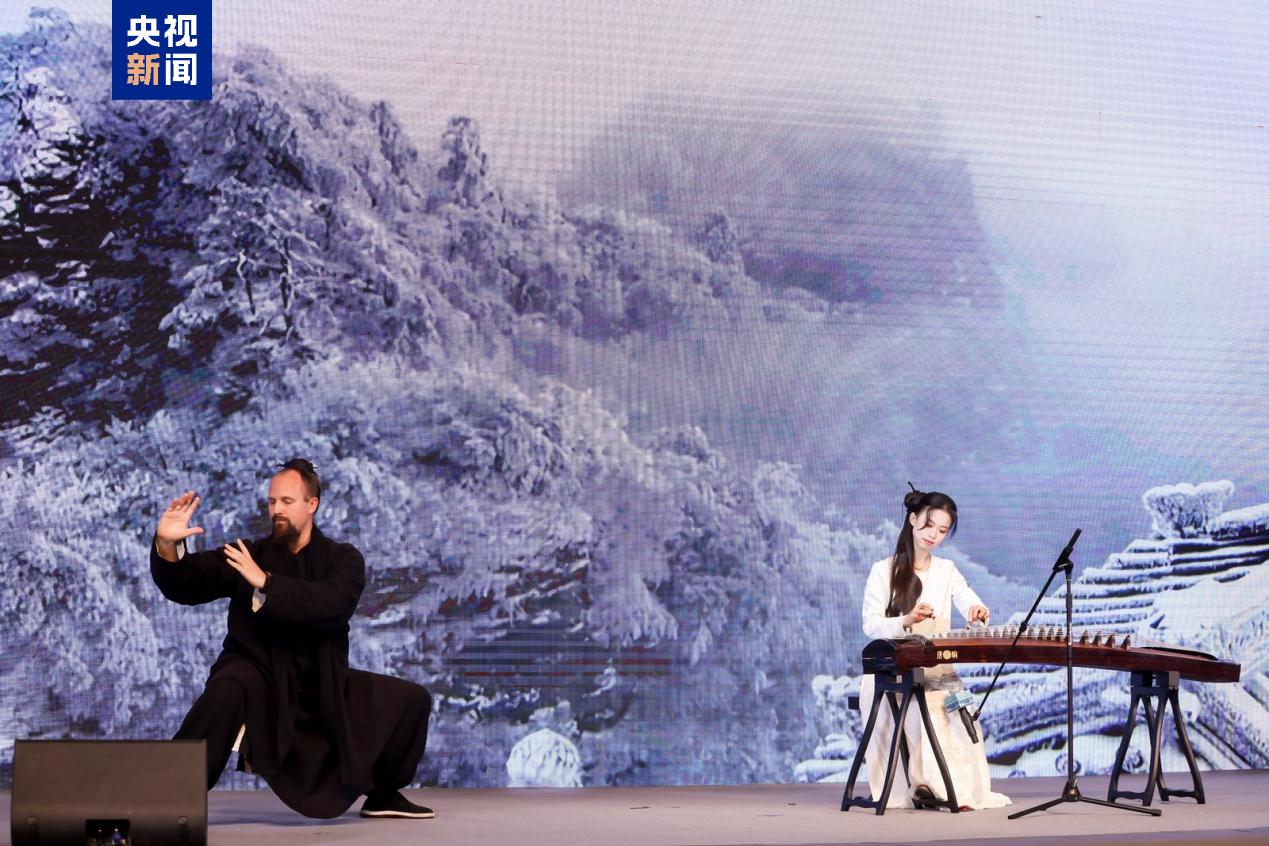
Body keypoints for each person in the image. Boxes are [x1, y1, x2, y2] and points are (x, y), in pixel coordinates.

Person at [151, 458, 435, 819]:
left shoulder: (343, 559)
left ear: (312, 504)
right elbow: (188, 583)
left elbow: (331, 605)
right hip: (256, 672)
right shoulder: (250, 554)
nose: (276, 510)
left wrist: (267, 583)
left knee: (411, 699)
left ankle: (382, 794)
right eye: (272, 502)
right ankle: (167, 794)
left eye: (287, 501)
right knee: (227, 690)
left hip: (320, 682)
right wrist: (167, 547)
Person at [858, 487, 1010, 810]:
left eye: (942, 531)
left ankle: (954, 789)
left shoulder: (946, 570)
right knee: (921, 705)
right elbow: (871, 626)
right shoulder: (883, 570)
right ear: (913, 520)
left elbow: (967, 599)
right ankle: (926, 784)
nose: (933, 535)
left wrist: (976, 610)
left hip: (937, 669)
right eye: (929, 526)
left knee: (956, 707)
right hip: (893, 672)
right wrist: (907, 619)